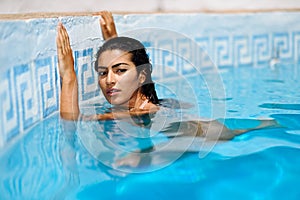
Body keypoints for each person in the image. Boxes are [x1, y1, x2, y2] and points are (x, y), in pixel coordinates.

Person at [56, 11, 280, 142]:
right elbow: (136, 79)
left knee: (251, 131)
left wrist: (69, 77)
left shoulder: (137, 111)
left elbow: (72, 122)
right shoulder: (144, 101)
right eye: (103, 73)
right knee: (257, 129)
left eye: (120, 70)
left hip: (205, 136)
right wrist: (113, 41)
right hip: (199, 129)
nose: (109, 80)